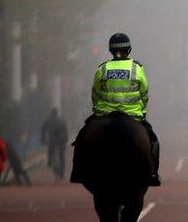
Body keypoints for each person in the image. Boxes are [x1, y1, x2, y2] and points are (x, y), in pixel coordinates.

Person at [70, 33, 160, 186]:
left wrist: (99, 108)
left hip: (104, 115)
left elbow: (95, 94)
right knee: (153, 140)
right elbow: (144, 94)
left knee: (82, 137)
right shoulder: (136, 68)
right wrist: (141, 110)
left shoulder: (102, 68)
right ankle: (152, 172)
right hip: (133, 115)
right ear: (129, 49)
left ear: (110, 50)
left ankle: (78, 171)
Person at [41, 107, 69, 181]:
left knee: (50, 151)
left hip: (52, 141)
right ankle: (62, 173)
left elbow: (43, 130)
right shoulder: (62, 121)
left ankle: (49, 161)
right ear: (57, 113)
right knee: (62, 156)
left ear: (51, 113)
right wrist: (66, 140)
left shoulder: (47, 121)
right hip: (61, 141)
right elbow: (66, 132)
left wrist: (43, 140)